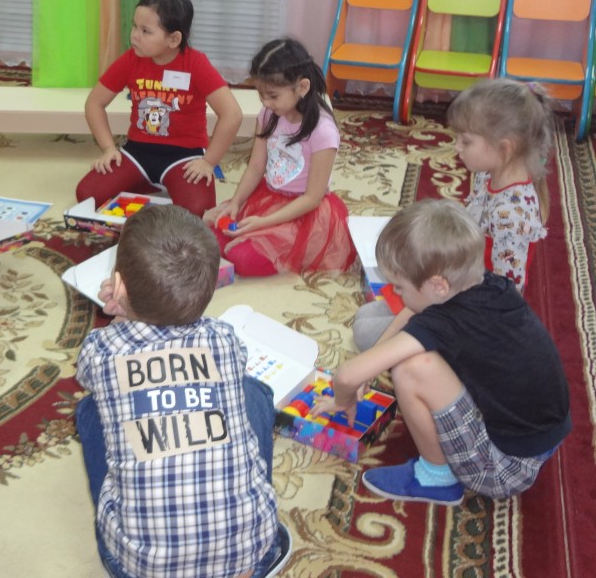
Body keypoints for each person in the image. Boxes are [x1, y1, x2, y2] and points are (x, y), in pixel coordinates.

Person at [75, 204, 292, 578]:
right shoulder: (223, 338)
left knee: (91, 410)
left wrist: (121, 317)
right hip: (249, 556)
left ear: (119, 286)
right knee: (252, 391)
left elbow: (91, 375)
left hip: (142, 568)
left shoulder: (102, 350)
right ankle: (244, 519)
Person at [314, 199, 570, 505]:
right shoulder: (487, 283)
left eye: (399, 287)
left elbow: (346, 376)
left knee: (410, 368)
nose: (395, 293)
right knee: (380, 326)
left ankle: (436, 479)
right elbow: (413, 311)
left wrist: (343, 401)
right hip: (539, 437)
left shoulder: (446, 323)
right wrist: (375, 361)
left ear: (438, 286)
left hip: (504, 468)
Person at [352, 78, 554, 351]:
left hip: (472, 308)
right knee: (365, 316)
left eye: (466, 141)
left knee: (365, 332)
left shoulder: (511, 214)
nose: (457, 147)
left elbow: (506, 296)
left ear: (505, 148)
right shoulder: (488, 174)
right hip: (454, 281)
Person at [76, 0, 242, 218]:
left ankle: (159, 181)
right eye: (134, 26)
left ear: (173, 40)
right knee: (87, 194)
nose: (135, 36)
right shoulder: (130, 59)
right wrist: (108, 148)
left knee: (196, 212)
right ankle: (148, 181)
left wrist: (208, 162)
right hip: (137, 151)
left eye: (145, 31)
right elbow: (94, 103)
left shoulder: (195, 63)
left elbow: (232, 114)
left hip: (184, 156)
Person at [204, 37, 355, 277]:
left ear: (302, 87)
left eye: (273, 96)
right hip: (268, 197)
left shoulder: (323, 131)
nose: (265, 102)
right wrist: (236, 202)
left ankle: (287, 246)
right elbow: (256, 167)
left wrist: (263, 223)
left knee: (242, 258)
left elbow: (312, 198)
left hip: (304, 212)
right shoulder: (268, 114)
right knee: (213, 235)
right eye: (261, 94)